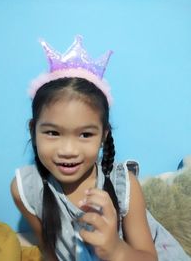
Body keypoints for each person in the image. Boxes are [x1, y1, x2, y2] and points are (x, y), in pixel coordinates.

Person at [11, 35, 158, 261]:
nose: (68, 150)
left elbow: (150, 257)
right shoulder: (26, 190)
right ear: (33, 130)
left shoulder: (125, 187)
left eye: (85, 134)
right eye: (52, 132)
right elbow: (49, 251)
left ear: (103, 136)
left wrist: (116, 249)